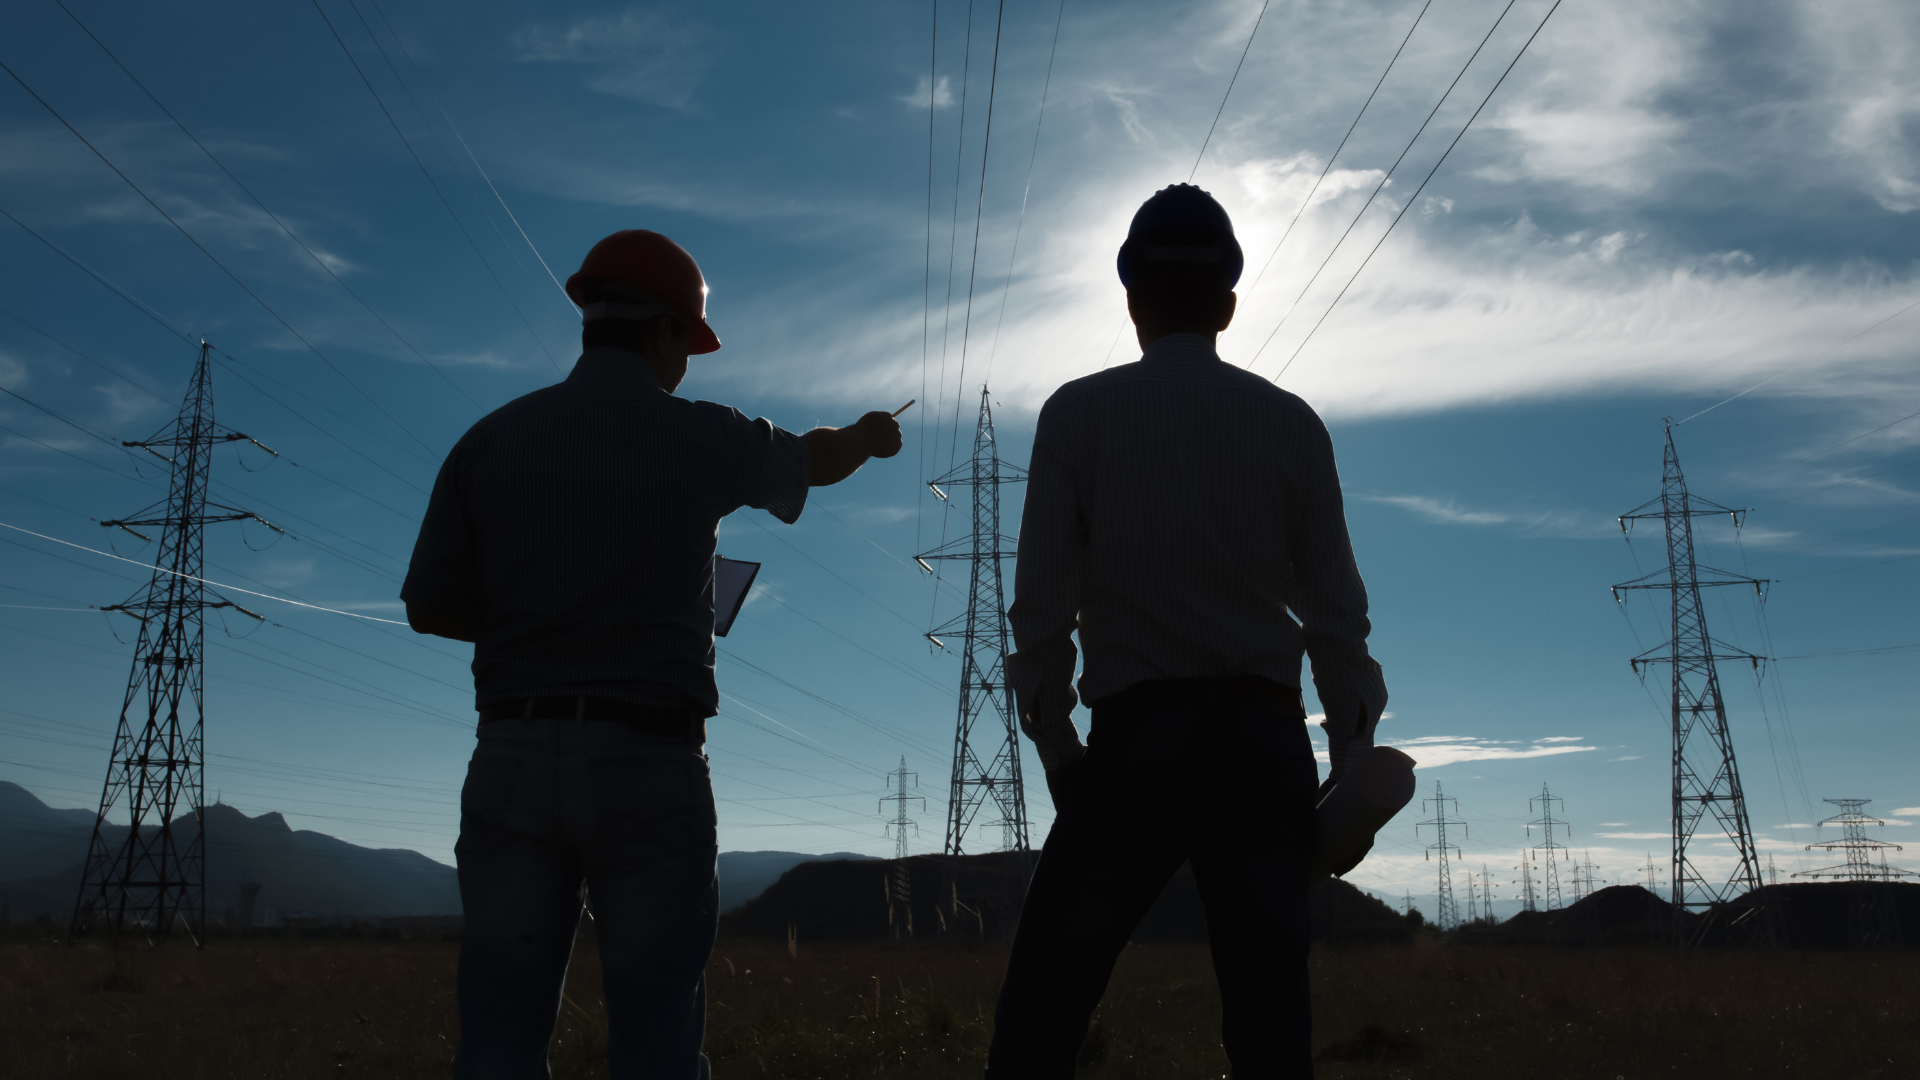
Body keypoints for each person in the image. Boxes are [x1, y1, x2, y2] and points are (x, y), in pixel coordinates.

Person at [401, 229, 903, 1079]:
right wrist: (865, 434)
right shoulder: (702, 436)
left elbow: (430, 606)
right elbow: (814, 459)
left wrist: (541, 618)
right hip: (649, 761)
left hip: (512, 755)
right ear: (667, 330)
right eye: (689, 346)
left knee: (497, 1039)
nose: (687, 365)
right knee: (658, 1042)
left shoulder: (488, 441)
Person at [988, 185, 1388, 1077]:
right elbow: (1338, 623)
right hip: (1262, 745)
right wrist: (1348, 764)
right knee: (1270, 1023)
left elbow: (1041, 615)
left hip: (1137, 744)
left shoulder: (1076, 415)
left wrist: (1060, 756)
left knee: (1043, 1011)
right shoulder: (1292, 424)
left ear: (1130, 297)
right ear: (1230, 305)